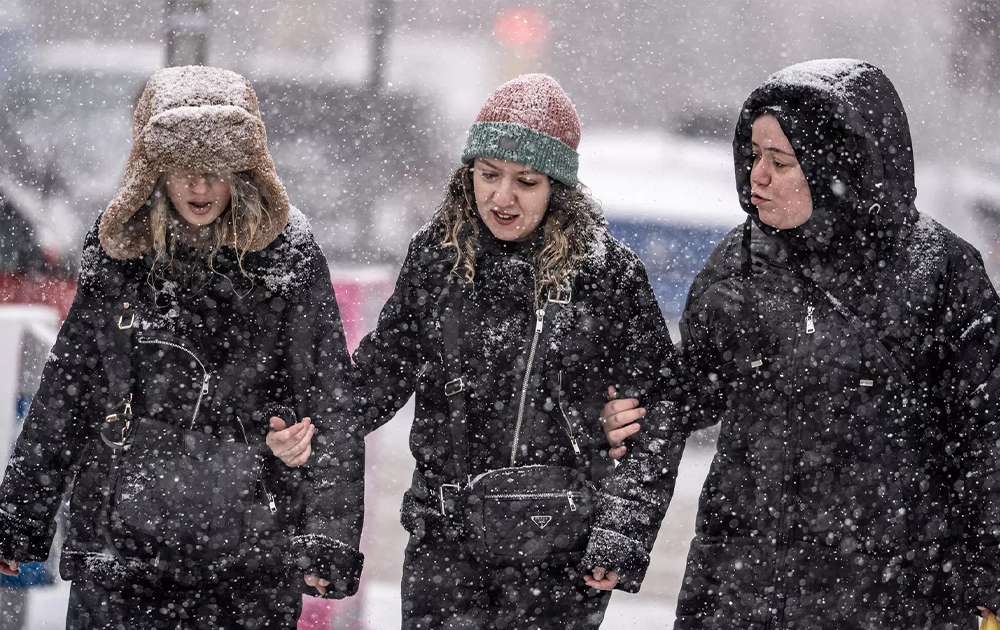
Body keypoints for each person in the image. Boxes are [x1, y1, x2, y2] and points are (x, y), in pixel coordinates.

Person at [601, 58, 1000, 629]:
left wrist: (990, 575)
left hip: (893, 596)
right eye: (754, 156)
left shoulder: (938, 273)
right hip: (740, 591)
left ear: (841, 167)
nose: (755, 177)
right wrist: (622, 520)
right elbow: (679, 396)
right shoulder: (738, 265)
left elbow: (986, 436)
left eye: (780, 162)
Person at [0, 66, 364, 629]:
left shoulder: (288, 253)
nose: (200, 187)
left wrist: (328, 537)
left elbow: (330, 396)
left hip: (245, 552)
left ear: (243, 170)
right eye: (184, 169)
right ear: (155, 168)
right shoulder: (117, 245)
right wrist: (19, 518)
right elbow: (68, 388)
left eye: (216, 169)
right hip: (125, 548)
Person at [346, 73, 680, 629]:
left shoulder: (608, 276)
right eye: (488, 175)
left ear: (558, 189)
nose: (502, 198)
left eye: (525, 181)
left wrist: (621, 530)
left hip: (559, 555)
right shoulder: (437, 257)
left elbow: (659, 410)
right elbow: (382, 368)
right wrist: (308, 417)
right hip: (444, 548)